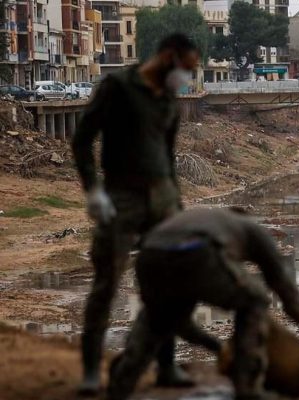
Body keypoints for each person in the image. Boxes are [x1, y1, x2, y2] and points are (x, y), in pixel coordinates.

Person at [71, 33, 201, 395]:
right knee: (106, 283)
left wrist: (176, 201)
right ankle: (91, 372)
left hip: (163, 200)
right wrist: (92, 190)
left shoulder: (169, 99)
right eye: (186, 69)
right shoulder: (117, 86)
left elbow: (169, 155)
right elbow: (82, 139)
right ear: (169, 56)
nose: (187, 78)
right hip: (121, 198)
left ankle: (166, 366)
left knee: (168, 285)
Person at [106, 208, 299, 400]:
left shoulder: (210, 219)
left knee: (157, 319)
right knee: (256, 299)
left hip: (149, 256)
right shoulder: (252, 230)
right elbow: (284, 286)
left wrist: (218, 347)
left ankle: (120, 385)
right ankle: (247, 389)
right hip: (198, 252)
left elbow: (181, 324)